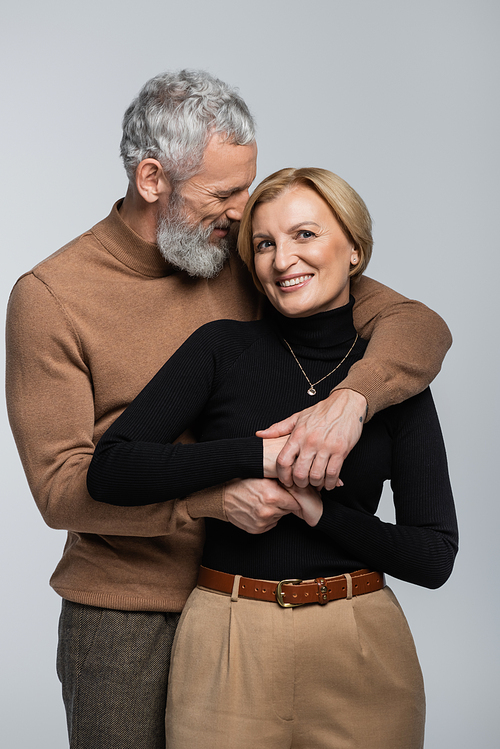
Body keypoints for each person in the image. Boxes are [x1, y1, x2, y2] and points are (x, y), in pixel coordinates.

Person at [6, 71, 452, 749]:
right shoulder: (52, 296)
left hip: (260, 601)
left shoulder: (247, 257)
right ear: (153, 179)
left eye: (248, 186)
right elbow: (64, 488)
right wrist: (207, 500)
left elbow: (416, 325)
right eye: (225, 192)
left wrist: (354, 398)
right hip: (129, 612)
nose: (246, 212)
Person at [87, 167, 458, 749]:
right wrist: (260, 457)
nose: (283, 259)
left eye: (305, 235)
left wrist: (318, 514)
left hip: (361, 641)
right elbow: (111, 469)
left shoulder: (389, 379)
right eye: (264, 244)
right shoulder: (220, 348)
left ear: (355, 250)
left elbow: (433, 556)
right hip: (229, 635)